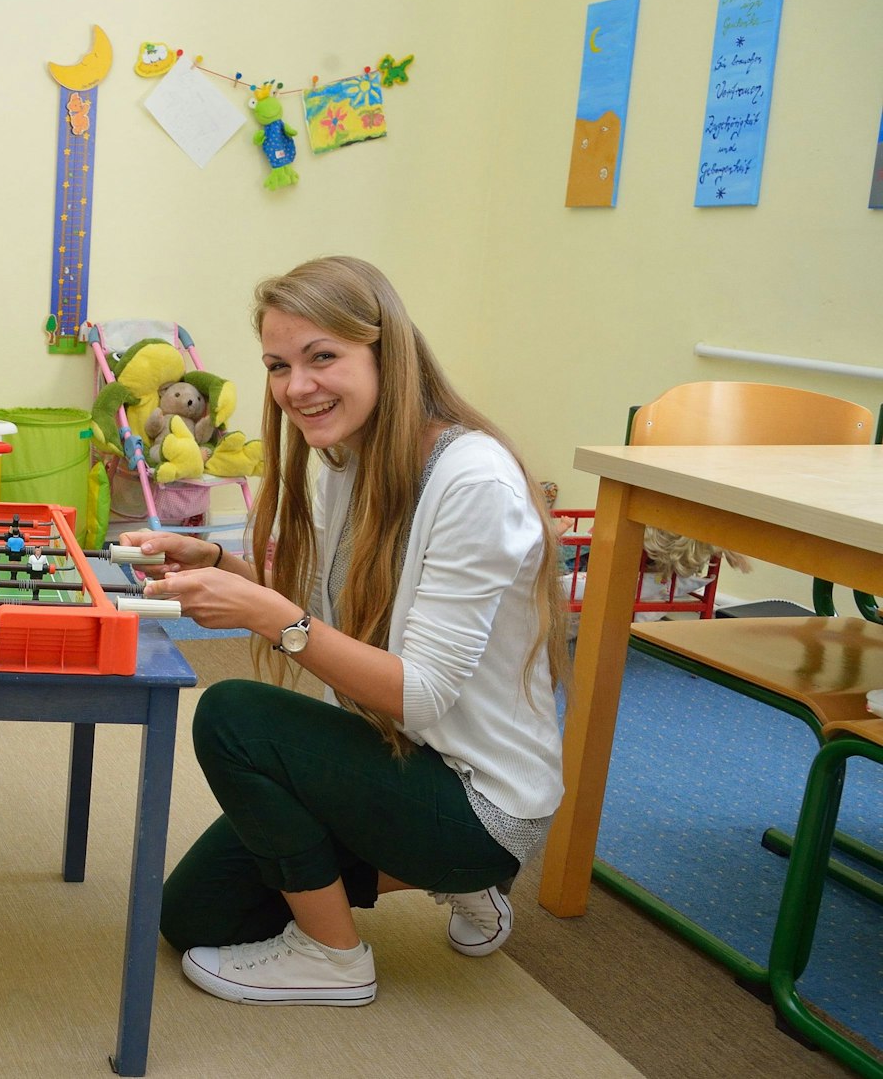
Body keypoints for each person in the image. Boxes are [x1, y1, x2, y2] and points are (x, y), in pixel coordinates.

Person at [125, 255, 568, 1008]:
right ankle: (446, 876)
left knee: (234, 717)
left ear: (386, 352)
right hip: (396, 758)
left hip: (480, 802)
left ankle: (337, 956)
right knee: (194, 916)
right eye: (278, 365)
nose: (297, 386)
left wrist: (262, 613)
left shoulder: (474, 482)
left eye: (322, 356)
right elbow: (324, 613)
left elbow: (419, 696)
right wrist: (221, 563)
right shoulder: (349, 459)